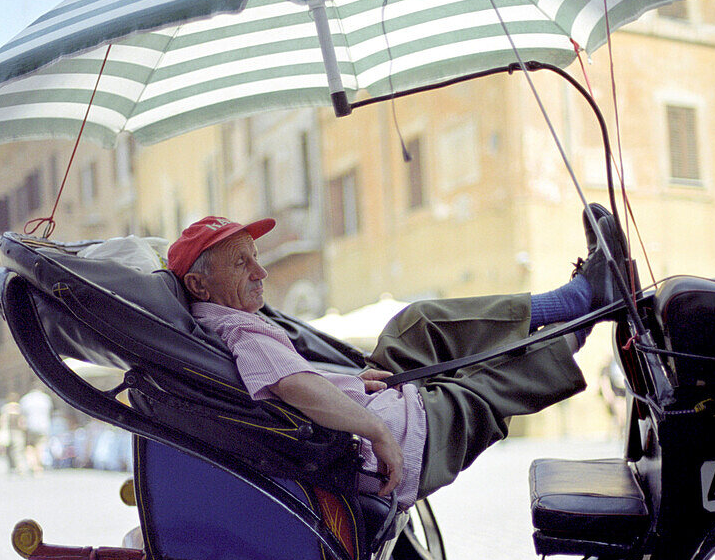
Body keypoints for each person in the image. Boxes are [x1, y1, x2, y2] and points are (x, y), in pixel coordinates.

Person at [167, 207, 628, 509]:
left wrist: (347, 381)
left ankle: (572, 301)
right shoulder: (238, 328)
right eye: (241, 263)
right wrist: (377, 430)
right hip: (381, 440)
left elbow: (291, 377)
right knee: (487, 385)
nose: (261, 271)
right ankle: (589, 308)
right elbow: (294, 386)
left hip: (366, 404)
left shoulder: (221, 317)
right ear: (199, 285)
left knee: (418, 324)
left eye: (254, 257)